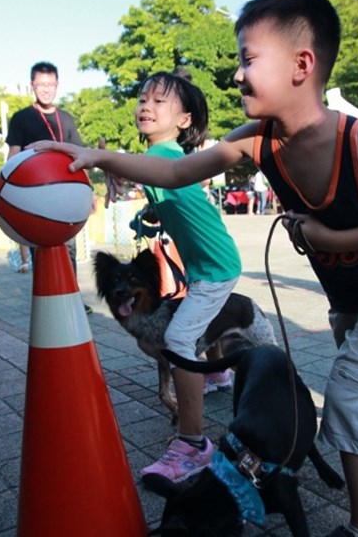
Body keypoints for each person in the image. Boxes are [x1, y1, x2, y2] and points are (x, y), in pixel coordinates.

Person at [31, 0, 358, 537]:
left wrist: (321, 232)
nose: (236, 76)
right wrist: (99, 156)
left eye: (249, 60)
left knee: (354, 394)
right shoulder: (258, 140)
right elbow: (179, 173)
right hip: (351, 291)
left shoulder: (357, 140)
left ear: (302, 65)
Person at [129, 71, 241, 481]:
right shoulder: (167, 155)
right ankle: (216, 373)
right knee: (192, 325)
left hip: (214, 266)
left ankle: (193, 445)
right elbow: (171, 199)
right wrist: (152, 213)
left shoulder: (161, 157)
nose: (146, 106)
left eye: (159, 101)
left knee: (177, 338)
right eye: (143, 98)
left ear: (184, 120)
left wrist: (95, 158)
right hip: (206, 264)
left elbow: (140, 169)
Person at [5, 62, 90, 308]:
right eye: (41, 84)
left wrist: (87, 192)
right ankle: (46, 299)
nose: (45, 89)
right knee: (39, 248)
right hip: (36, 196)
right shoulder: (22, 118)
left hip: (67, 195)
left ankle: (72, 297)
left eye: (50, 84)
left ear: (57, 85)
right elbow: (13, 156)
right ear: (32, 85)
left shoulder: (66, 118)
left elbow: (81, 156)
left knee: (70, 249)